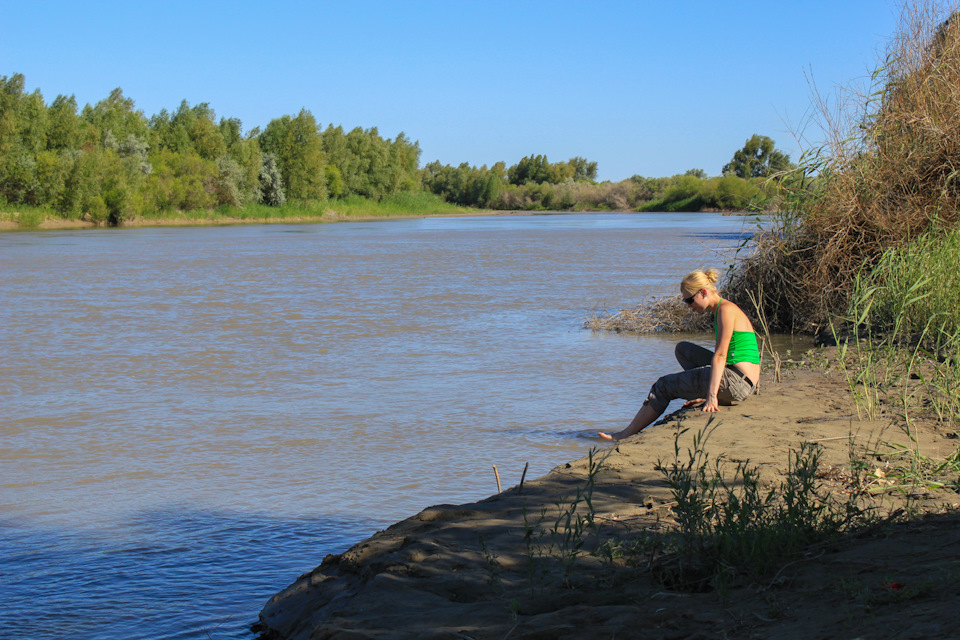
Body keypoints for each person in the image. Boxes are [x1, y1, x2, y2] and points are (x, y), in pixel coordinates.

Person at [598, 268, 760, 441]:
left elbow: (720, 356)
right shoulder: (723, 309)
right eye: (685, 302)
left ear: (703, 292)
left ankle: (624, 434)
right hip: (742, 379)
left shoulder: (725, 311)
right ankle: (705, 392)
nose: (688, 306)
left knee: (663, 386)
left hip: (737, 382)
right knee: (683, 349)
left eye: (689, 300)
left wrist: (711, 397)